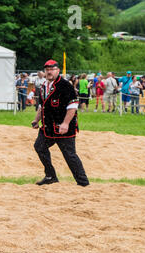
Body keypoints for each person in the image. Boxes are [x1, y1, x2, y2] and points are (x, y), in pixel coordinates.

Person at [31, 59, 89, 187]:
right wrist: (36, 120)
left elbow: (72, 107)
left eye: (52, 69)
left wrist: (66, 123)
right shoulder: (43, 86)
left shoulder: (65, 86)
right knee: (39, 147)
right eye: (47, 70)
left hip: (63, 128)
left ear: (58, 70)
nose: (49, 72)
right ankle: (50, 176)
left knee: (69, 155)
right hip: (48, 128)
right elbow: (42, 106)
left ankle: (83, 183)